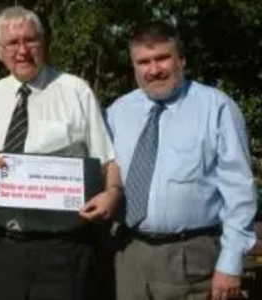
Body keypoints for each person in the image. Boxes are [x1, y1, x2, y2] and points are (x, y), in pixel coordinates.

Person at [0, 5, 121, 300]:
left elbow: (107, 159)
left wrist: (112, 193)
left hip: (64, 250)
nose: (22, 50)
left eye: (30, 40)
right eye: (12, 43)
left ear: (43, 43)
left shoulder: (76, 91)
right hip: (4, 246)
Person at [107, 21, 257, 300]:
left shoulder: (217, 107)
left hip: (191, 258)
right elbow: (103, 171)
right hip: (128, 256)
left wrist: (231, 263)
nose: (154, 69)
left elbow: (240, 192)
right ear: (134, 66)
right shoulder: (119, 111)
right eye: (143, 62)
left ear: (181, 60)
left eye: (162, 57)